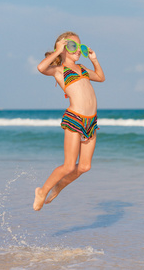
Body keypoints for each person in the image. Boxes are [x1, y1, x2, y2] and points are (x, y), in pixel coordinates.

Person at [33, 31, 105, 211]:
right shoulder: (59, 70)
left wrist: (94, 59)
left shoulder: (82, 68)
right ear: (64, 47)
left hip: (91, 121)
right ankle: (42, 191)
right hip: (75, 118)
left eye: (80, 46)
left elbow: (101, 77)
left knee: (84, 167)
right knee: (68, 165)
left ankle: (58, 187)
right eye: (73, 46)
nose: (78, 50)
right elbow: (41, 68)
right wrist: (57, 52)